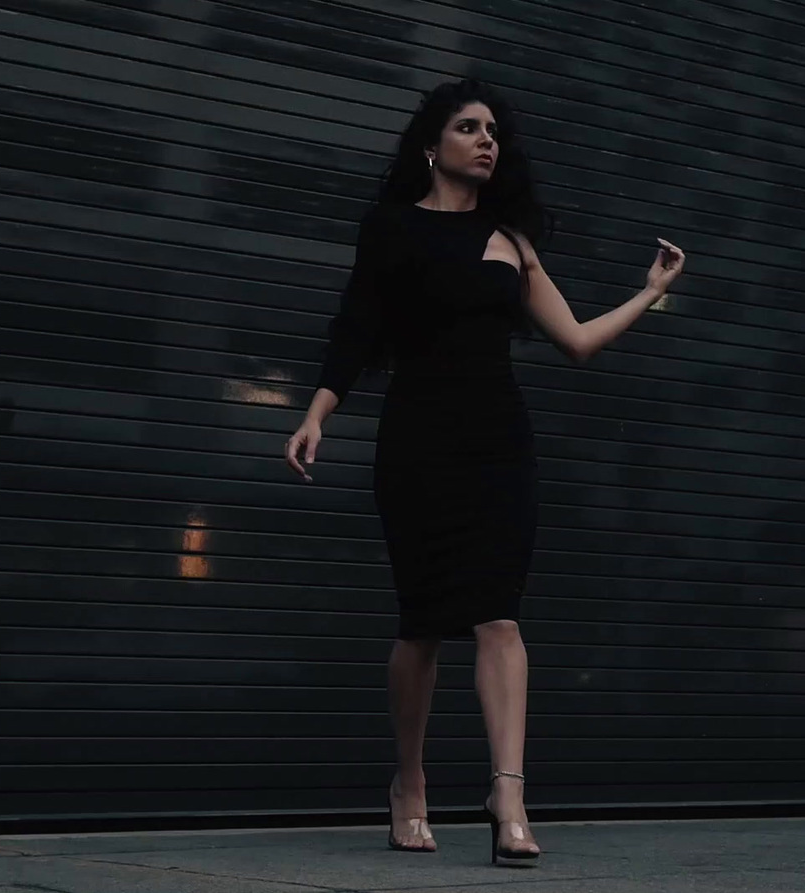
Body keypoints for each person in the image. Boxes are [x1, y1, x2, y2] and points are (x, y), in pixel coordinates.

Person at [284, 79, 685, 866]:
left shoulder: (512, 240)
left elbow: (574, 339)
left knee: (499, 617)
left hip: (500, 445)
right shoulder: (391, 228)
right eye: (468, 127)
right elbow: (356, 326)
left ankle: (509, 792)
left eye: (493, 129)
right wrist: (316, 413)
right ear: (432, 145)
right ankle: (409, 782)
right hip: (416, 444)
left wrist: (649, 292)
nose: (486, 139)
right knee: (423, 624)